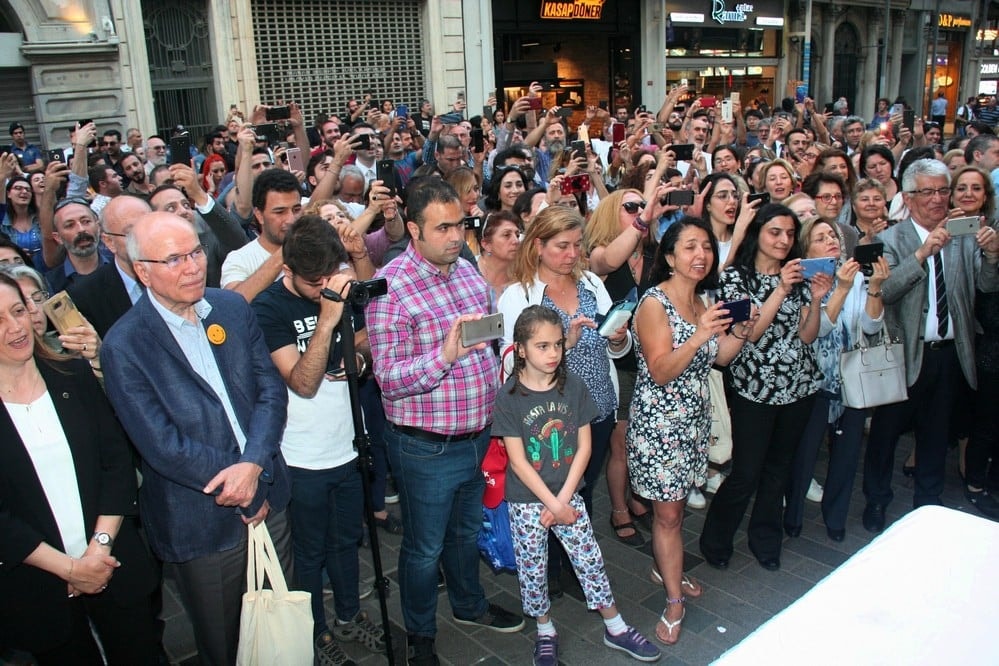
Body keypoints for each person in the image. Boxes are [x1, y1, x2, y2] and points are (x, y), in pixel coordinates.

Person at [101, 212, 292, 665]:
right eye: (174, 259)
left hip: (268, 493)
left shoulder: (231, 308)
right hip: (201, 521)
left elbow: (270, 390)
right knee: (225, 645)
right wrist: (242, 484)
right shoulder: (124, 346)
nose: (192, 267)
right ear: (142, 270)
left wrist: (254, 466)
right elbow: (162, 446)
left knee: (280, 630)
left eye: (195, 252)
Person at [365, 179, 524, 666]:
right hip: (425, 448)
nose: (456, 236)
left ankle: (469, 605)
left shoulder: (468, 271)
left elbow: (491, 340)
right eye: (443, 228)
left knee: (464, 533)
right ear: (413, 229)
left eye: (460, 224)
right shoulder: (390, 288)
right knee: (423, 549)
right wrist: (444, 355)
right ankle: (419, 635)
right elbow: (388, 378)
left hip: (478, 436)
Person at [0, 273, 159, 664]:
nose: (15, 326)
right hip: (39, 586)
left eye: (18, 310)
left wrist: (98, 549)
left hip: (113, 562)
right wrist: (70, 569)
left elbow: (115, 461)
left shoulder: (73, 373)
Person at [493, 305, 661, 665]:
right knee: (532, 567)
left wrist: (564, 500)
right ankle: (545, 630)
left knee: (589, 560)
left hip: (568, 496)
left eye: (557, 344)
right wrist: (553, 505)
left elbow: (585, 447)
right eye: (542, 346)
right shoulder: (509, 397)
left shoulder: (573, 387)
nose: (553, 353)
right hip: (528, 500)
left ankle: (615, 626)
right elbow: (518, 461)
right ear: (520, 349)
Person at [251, 216, 385, 664]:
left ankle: (348, 614)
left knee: (346, 541)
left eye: (330, 276)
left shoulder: (338, 285)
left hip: (348, 444)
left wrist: (359, 362)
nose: (325, 287)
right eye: (314, 283)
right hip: (301, 455)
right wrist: (327, 320)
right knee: (308, 554)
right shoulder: (269, 308)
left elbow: (367, 339)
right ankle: (316, 632)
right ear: (288, 269)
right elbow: (302, 383)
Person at [627, 217, 752, 645]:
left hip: (693, 420)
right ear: (669, 256)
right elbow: (661, 371)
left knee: (676, 512)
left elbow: (720, 359)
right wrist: (699, 335)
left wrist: (739, 331)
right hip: (660, 425)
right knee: (668, 515)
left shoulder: (703, 300)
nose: (702, 255)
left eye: (707, 247)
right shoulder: (653, 304)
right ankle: (673, 600)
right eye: (690, 247)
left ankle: (668, 568)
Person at [862, 159, 999, 532]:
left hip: (948, 355)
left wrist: (991, 256)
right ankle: (876, 500)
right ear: (908, 198)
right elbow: (885, 291)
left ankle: (929, 503)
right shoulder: (890, 240)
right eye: (928, 192)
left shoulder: (963, 235)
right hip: (902, 355)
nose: (938, 199)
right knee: (886, 435)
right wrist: (922, 254)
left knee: (937, 436)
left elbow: (985, 287)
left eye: (943, 190)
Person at [699, 204, 829, 572]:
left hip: (799, 386)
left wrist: (815, 300)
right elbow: (752, 334)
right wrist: (781, 289)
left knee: (779, 468)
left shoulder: (799, 274)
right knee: (746, 471)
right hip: (754, 389)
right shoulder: (735, 278)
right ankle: (716, 539)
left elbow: (808, 336)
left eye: (790, 233)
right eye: (775, 232)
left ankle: (766, 538)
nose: (784, 240)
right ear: (757, 234)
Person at [783, 219, 889, 541]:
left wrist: (874, 287)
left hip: (852, 378)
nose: (830, 240)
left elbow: (871, 326)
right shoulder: (799, 281)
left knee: (847, 453)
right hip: (812, 381)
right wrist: (839, 289)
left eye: (833, 235)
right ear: (806, 249)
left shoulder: (856, 276)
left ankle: (836, 517)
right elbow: (820, 330)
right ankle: (793, 515)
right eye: (820, 237)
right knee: (804, 453)